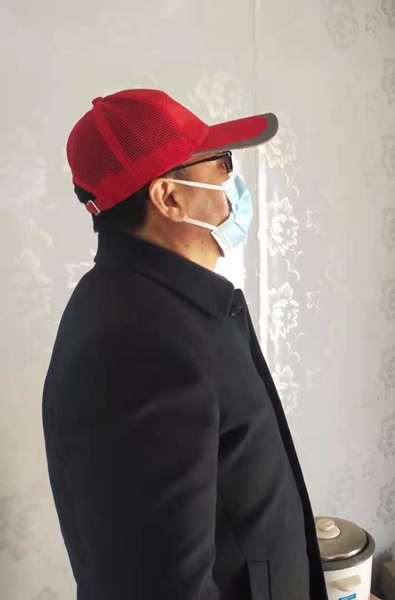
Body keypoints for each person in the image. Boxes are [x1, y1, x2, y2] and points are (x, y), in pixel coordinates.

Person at [43, 89, 326, 600]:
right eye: (222, 164)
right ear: (169, 198)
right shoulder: (134, 348)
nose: (233, 183)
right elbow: (158, 586)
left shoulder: (167, 307)